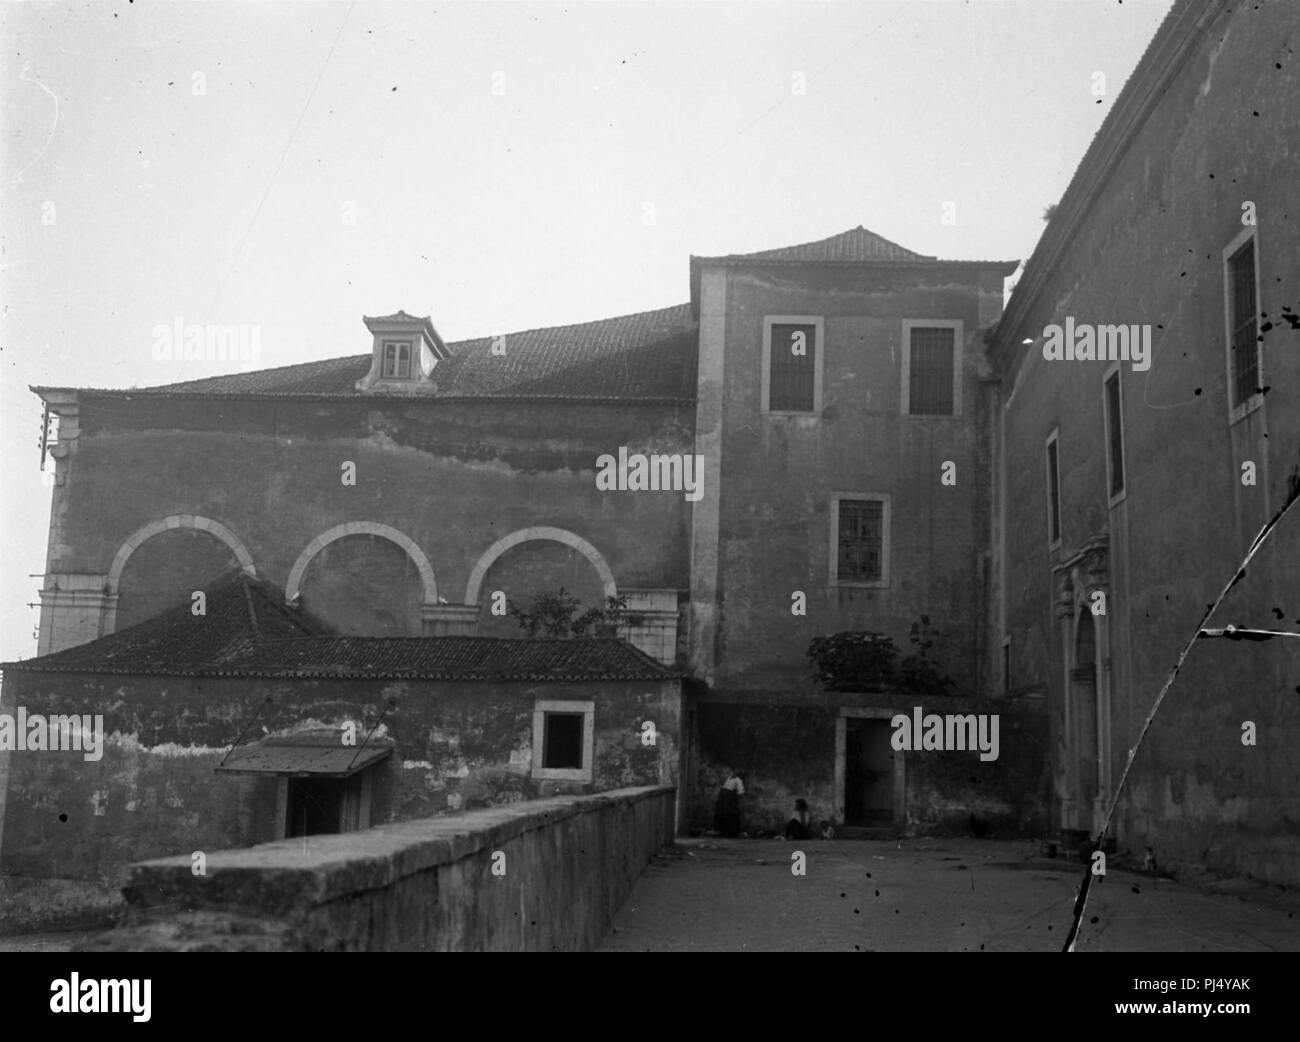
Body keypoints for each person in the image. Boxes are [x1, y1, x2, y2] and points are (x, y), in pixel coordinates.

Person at [713, 769, 745, 837]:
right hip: (723, 798)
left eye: (735, 772)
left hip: (730, 799)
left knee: (731, 814)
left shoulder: (738, 780)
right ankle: (722, 831)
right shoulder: (728, 778)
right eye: (733, 772)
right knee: (721, 813)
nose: (733, 773)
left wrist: (738, 800)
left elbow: (740, 792)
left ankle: (732, 832)